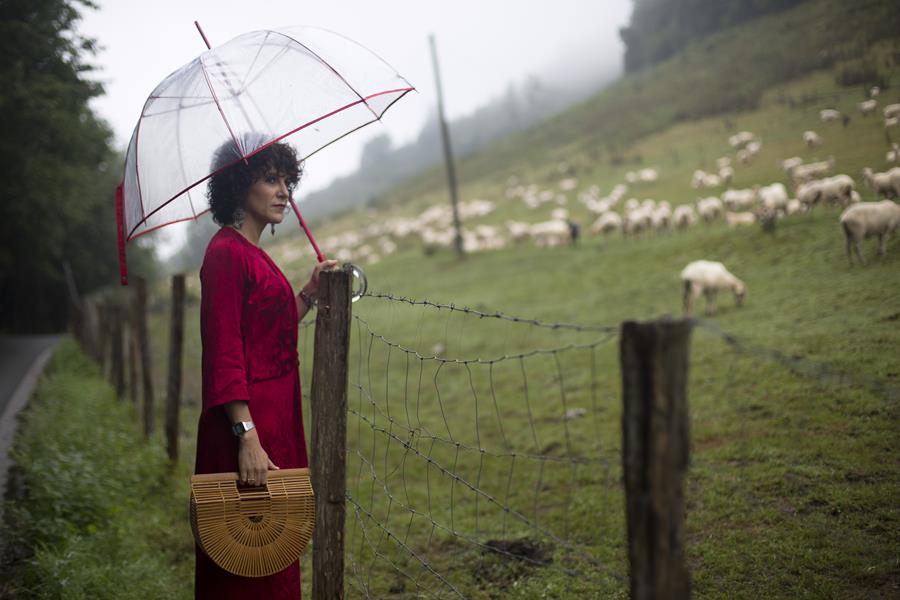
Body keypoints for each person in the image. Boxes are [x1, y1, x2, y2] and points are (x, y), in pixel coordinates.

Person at [194, 136, 337, 599]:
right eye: (270, 179)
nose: (284, 191)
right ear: (239, 186)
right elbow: (225, 355)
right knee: (246, 567)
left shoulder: (251, 251)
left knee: (275, 554)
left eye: (286, 180)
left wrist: (309, 293)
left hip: (277, 423)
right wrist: (247, 438)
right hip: (247, 429)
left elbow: (268, 332)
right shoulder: (224, 255)